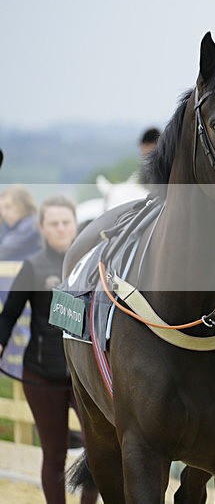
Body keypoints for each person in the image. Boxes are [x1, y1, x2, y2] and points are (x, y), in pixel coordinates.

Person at [0, 195, 98, 504]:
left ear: (75, 225)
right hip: (42, 374)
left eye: (65, 222)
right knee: (54, 454)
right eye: (53, 224)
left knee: (98, 451)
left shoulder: (95, 265)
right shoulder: (32, 267)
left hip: (87, 375)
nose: (60, 229)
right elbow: (8, 317)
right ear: (42, 228)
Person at [0, 185, 41, 260]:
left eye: (8, 207)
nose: (3, 213)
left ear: (23, 205)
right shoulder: (8, 228)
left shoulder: (31, 226)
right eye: (1, 208)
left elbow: (4, 251)